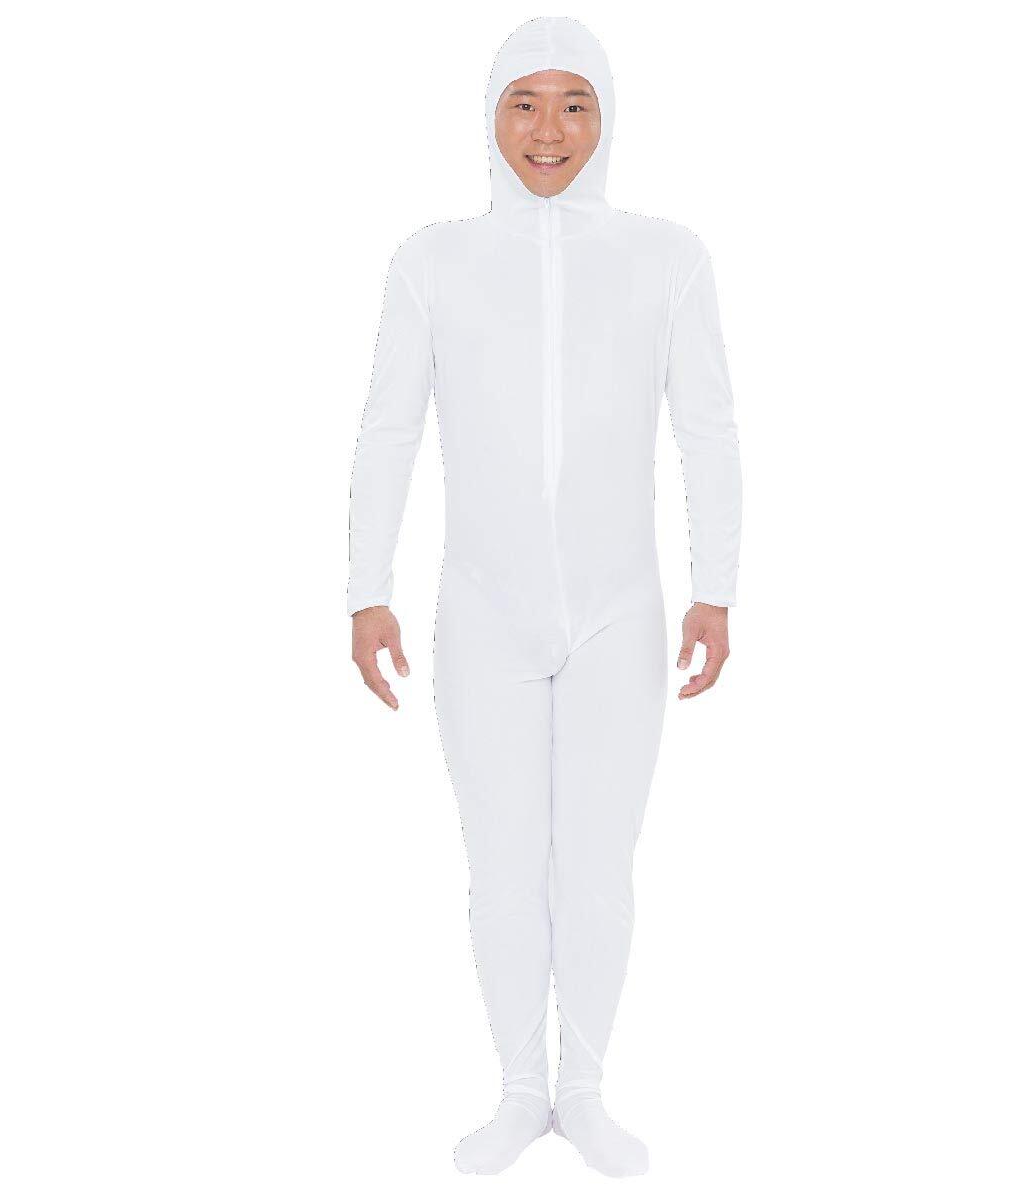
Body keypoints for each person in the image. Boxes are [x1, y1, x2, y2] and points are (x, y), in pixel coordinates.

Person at [346, 17, 741, 1178]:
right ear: (490, 115)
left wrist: (716, 587)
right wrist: (366, 589)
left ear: (608, 117)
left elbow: (708, 428)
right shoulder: (432, 260)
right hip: (483, 611)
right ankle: (520, 1091)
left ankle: (586, 1088)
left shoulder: (669, 258)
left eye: (576, 103)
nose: (550, 130)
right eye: (525, 102)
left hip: (623, 611)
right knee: (504, 863)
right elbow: (387, 427)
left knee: (599, 865)